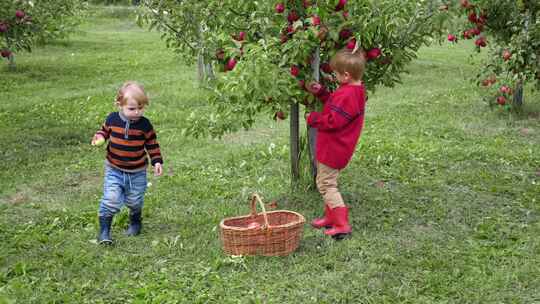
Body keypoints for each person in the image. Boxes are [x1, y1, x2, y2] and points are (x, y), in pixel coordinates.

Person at [91, 81, 163, 244]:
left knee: (135, 201)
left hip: (137, 171)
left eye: (141, 108)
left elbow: (152, 144)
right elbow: (103, 130)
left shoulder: (145, 125)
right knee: (111, 199)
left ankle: (135, 221)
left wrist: (156, 161)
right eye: (132, 109)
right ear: (119, 105)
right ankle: (104, 232)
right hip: (114, 169)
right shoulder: (112, 119)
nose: (137, 112)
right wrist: (100, 137)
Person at [306, 48, 367, 238]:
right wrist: (323, 94)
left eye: (336, 73)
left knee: (326, 184)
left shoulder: (348, 94)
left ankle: (341, 224)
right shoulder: (353, 90)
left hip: (334, 148)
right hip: (335, 147)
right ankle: (331, 217)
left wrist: (314, 119)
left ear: (346, 75)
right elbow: (336, 105)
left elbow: (334, 120)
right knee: (326, 181)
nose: (334, 76)